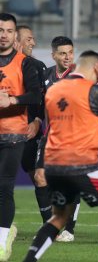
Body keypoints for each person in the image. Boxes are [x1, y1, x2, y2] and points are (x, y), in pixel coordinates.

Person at [23, 50, 98, 262]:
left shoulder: (53, 90)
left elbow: (52, 127)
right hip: (84, 166)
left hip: (54, 166)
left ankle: (29, 260)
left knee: (58, 218)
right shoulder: (94, 91)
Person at [0, 12, 41, 261]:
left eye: (7, 30)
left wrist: (12, 99)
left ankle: (2, 240)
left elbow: (36, 95)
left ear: (15, 35)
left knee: (4, 187)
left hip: (14, 134)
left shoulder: (25, 63)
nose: (3, 34)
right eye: (0, 29)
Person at [36, 36, 79, 242]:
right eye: (63, 53)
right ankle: (51, 226)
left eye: (70, 52)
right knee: (40, 178)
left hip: (74, 138)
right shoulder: (45, 75)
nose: (67, 56)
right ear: (53, 55)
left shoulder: (79, 76)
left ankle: (69, 230)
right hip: (50, 136)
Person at [15, 25, 50, 223]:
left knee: (37, 176)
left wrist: (37, 120)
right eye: (29, 39)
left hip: (30, 130)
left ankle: (50, 223)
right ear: (16, 41)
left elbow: (43, 99)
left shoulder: (37, 66)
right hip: (7, 130)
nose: (33, 43)